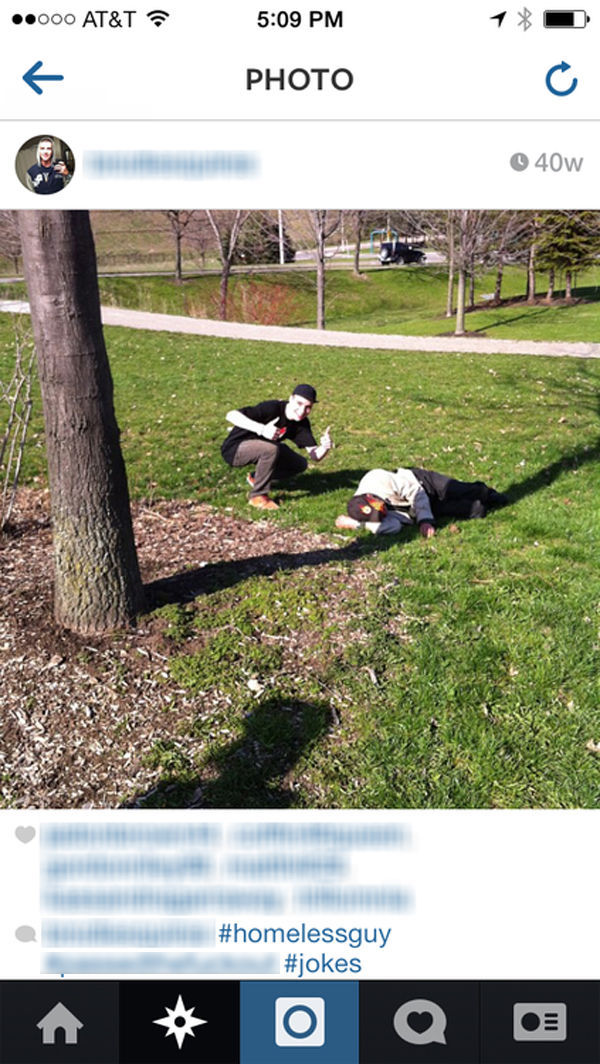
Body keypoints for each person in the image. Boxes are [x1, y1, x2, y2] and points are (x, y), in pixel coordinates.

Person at [221, 384, 333, 510]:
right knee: (271, 449)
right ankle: (258, 496)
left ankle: (256, 478)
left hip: (264, 449)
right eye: (299, 403)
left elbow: (315, 455)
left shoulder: (301, 423)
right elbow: (231, 415)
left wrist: (325, 447)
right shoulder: (272, 408)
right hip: (235, 449)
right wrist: (261, 429)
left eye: (308, 407)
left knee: (300, 464)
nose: (302, 411)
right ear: (290, 399)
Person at [335, 466, 509, 537]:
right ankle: (482, 504)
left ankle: (488, 493)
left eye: (381, 510)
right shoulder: (370, 518)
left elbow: (415, 492)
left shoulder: (376, 478)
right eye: (380, 516)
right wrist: (359, 525)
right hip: (419, 508)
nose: (384, 514)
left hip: (421, 483)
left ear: (372, 498)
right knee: (476, 511)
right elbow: (393, 526)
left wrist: (425, 520)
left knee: (460, 489)